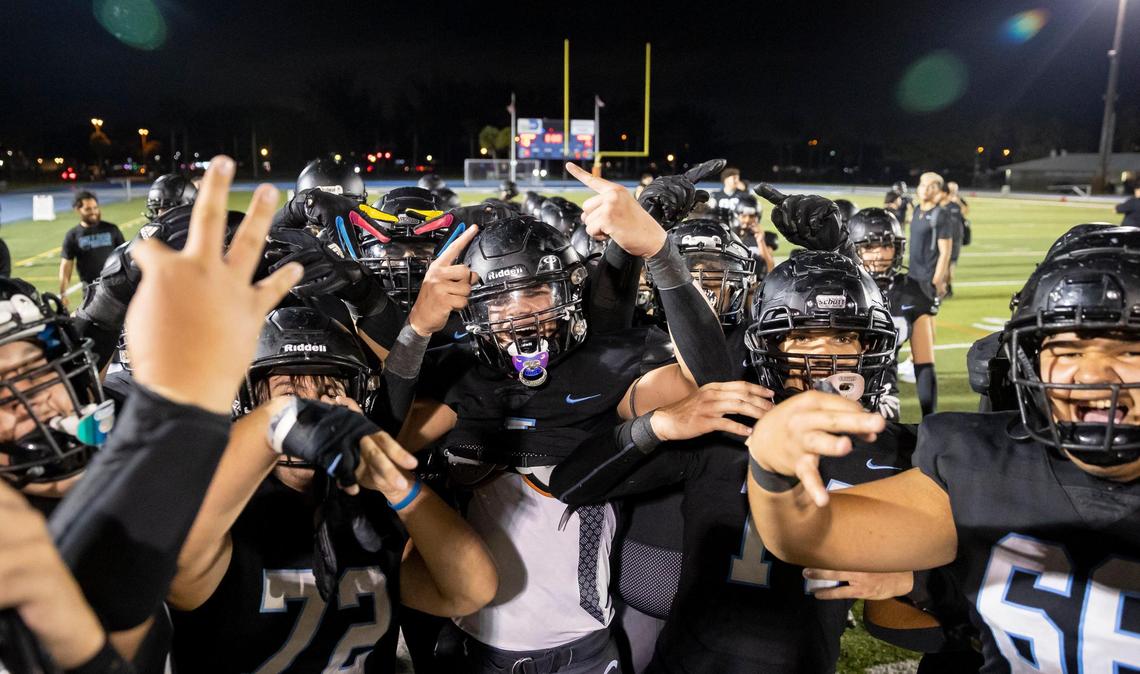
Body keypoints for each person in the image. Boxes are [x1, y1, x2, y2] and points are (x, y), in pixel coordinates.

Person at [745, 243, 1140, 673]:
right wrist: (771, 461)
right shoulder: (979, 463)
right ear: (1029, 361)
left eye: (1130, 352)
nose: (1095, 375)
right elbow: (802, 535)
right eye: (1069, 350)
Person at [848, 208, 939, 418]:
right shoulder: (842, 287)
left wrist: (929, 416)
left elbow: (924, 364)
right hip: (838, 389)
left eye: (887, 245)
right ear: (854, 249)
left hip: (884, 394)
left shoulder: (912, 292)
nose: (880, 254)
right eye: (870, 246)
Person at [59, 191, 125, 304]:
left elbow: (124, 256)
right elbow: (66, 266)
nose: (94, 212)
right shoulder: (73, 235)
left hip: (116, 286)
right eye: (88, 209)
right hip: (91, 291)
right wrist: (63, 293)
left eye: (95, 207)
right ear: (77, 210)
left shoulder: (111, 229)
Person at [907, 172, 953, 299]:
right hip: (912, 274)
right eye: (923, 185)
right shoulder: (916, 210)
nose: (926, 189)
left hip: (928, 277)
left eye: (931, 186)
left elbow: (945, 253)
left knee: (925, 317)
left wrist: (937, 280)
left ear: (938, 191)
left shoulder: (941, 214)